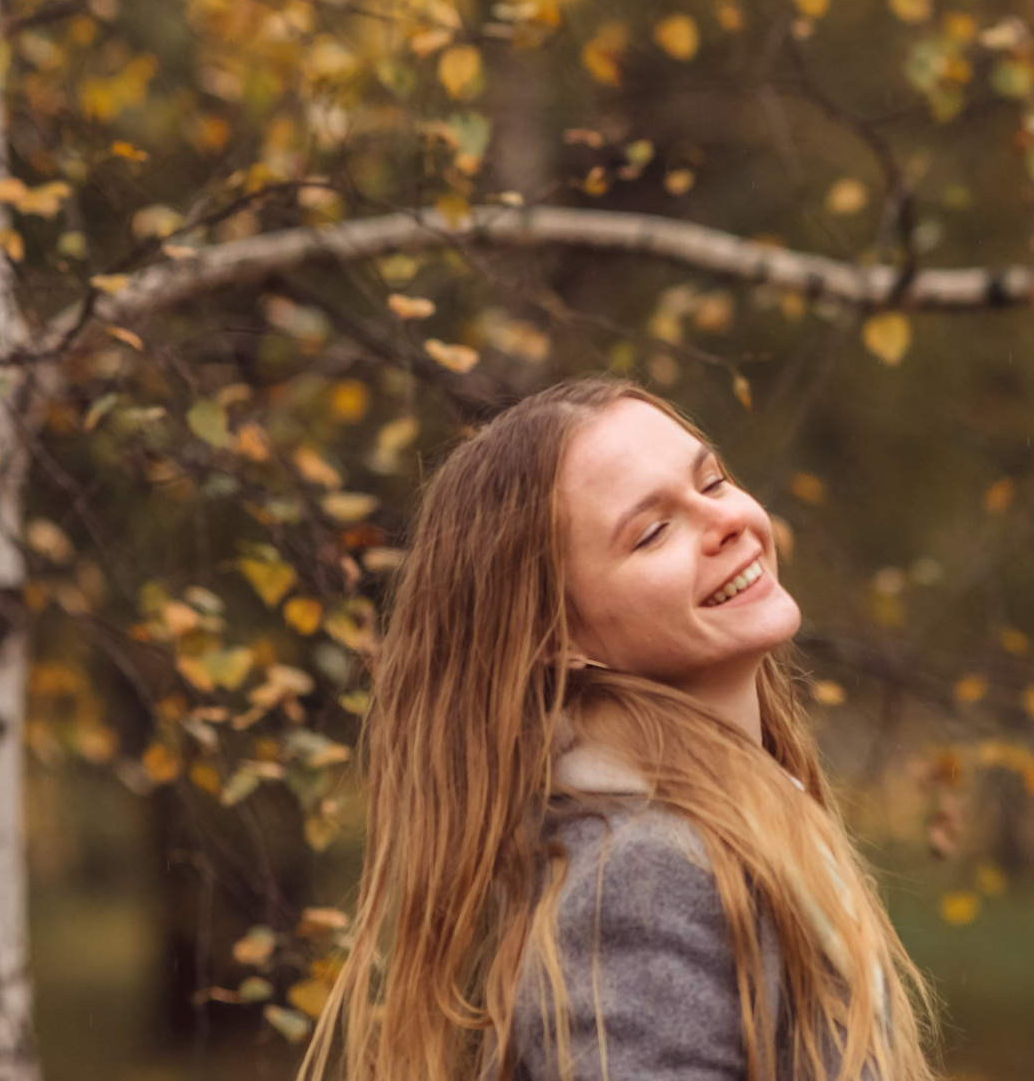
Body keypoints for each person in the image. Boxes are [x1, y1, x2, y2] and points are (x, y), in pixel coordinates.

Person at [303, 373, 937, 1081]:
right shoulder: (640, 873)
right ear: (557, 634)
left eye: (714, 481)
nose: (724, 519)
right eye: (654, 530)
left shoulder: (723, 824)